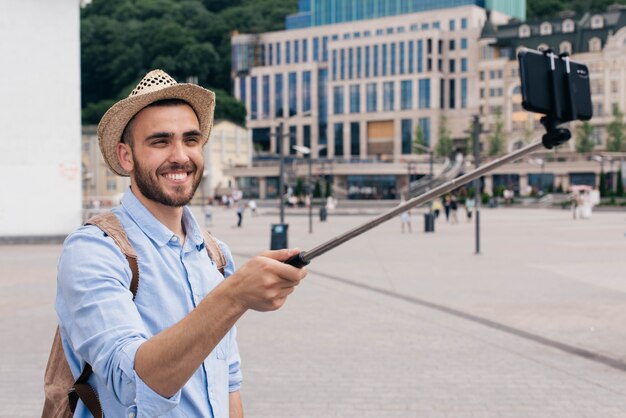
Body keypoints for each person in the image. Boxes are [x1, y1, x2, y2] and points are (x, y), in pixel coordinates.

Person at [55, 70, 307, 417]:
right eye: (160, 141)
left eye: (191, 140)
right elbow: (129, 383)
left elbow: (228, 382)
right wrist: (233, 296)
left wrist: (232, 292)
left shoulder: (216, 255)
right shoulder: (94, 250)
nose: (180, 156)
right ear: (126, 156)